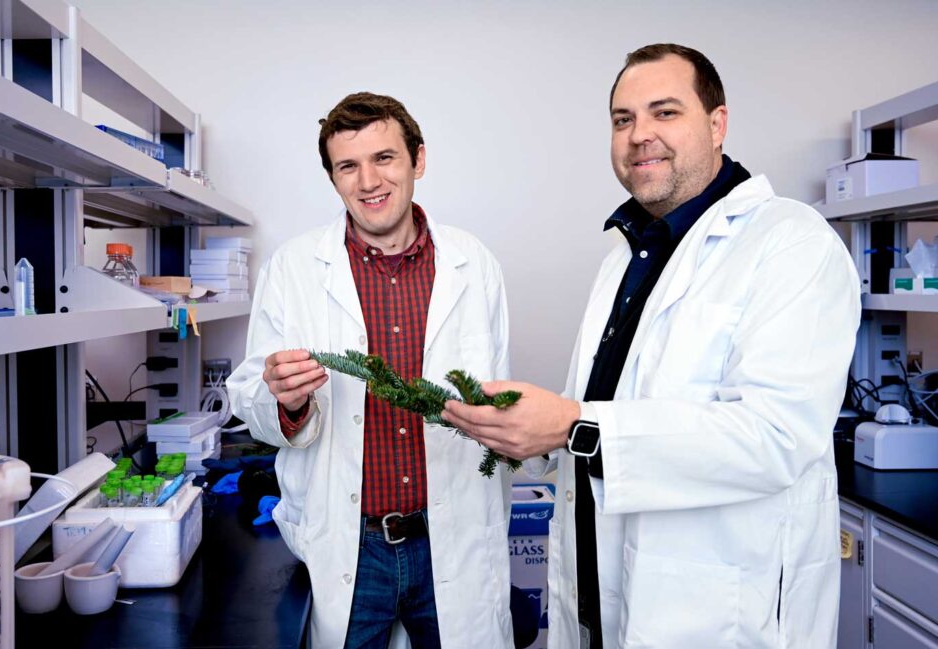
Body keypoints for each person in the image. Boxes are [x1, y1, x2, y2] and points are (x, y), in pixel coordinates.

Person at [443, 44, 861, 648]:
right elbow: (605, 407)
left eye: (665, 112)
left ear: (716, 123)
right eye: (623, 119)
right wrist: (520, 433)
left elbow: (775, 437)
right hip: (600, 599)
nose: (640, 135)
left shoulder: (792, 244)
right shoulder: (626, 256)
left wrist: (571, 426)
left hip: (717, 616)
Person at [227, 92, 515, 649]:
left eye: (384, 158)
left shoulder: (473, 264)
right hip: (350, 547)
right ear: (333, 178)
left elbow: (496, 403)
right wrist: (285, 402)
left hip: (451, 539)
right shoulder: (294, 267)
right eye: (347, 166)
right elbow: (250, 400)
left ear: (418, 160)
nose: (368, 181)